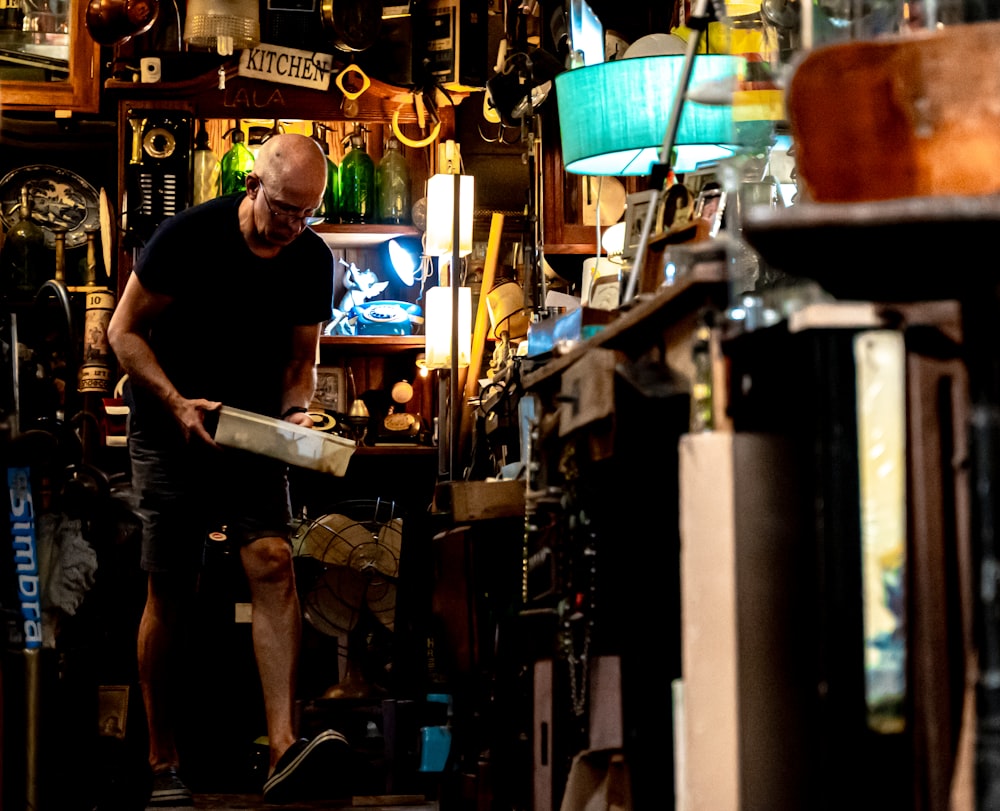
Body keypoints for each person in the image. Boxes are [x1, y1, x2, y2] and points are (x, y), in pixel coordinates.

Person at [107, 132, 347, 808]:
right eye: (282, 210)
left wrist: (298, 413)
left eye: (306, 215)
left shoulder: (310, 258)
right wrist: (177, 402)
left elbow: (302, 363)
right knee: (172, 586)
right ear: (252, 185)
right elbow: (121, 332)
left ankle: (282, 749)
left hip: (250, 431)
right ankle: (161, 759)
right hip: (169, 423)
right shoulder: (187, 238)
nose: (292, 226)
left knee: (273, 560)